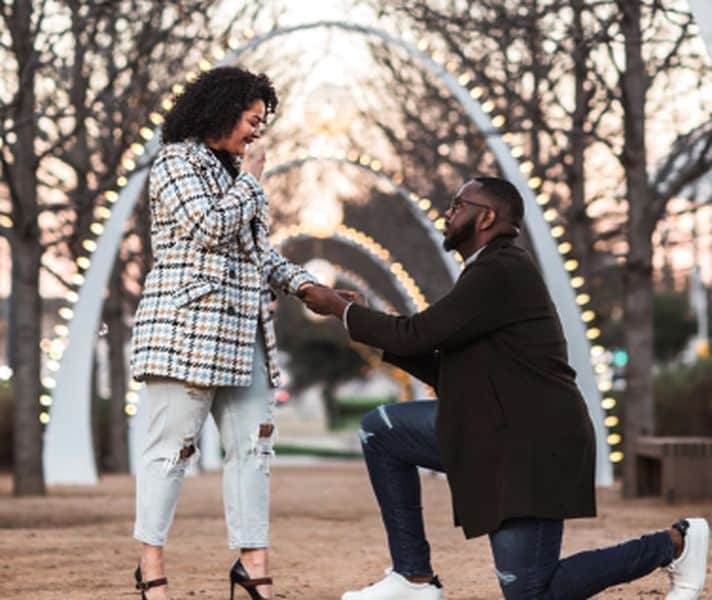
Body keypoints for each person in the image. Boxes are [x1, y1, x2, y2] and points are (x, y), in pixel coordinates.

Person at [301, 176, 710, 600]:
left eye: (458, 204)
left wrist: (343, 310)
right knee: (382, 430)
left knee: (531, 592)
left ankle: (675, 544)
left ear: (487, 216)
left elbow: (417, 332)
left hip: (532, 445)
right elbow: (446, 369)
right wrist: (359, 316)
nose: (448, 212)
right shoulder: (486, 271)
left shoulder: (500, 269)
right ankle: (413, 578)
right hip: (498, 434)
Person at [130, 66, 317, 600]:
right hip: (187, 333)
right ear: (221, 109)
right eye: (252, 119)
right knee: (171, 453)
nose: (257, 131)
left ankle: (252, 565)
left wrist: (309, 288)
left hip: (246, 336)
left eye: (262, 122)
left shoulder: (235, 175)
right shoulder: (174, 162)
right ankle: (151, 566)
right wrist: (252, 182)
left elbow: (258, 255)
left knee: (254, 451)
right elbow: (209, 227)